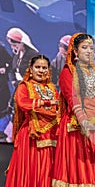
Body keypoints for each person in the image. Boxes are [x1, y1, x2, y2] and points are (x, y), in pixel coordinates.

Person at [52, 33, 95, 187]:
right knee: (79, 173)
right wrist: (83, 120)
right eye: (85, 48)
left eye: (92, 48)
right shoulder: (68, 72)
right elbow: (72, 98)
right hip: (76, 128)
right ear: (75, 51)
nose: (89, 51)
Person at [5, 54, 59, 187]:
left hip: (52, 134)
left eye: (44, 68)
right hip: (32, 135)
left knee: (49, 170)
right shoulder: (24, 86)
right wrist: (47, 103)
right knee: (31, 171)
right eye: (38, 67)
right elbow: (23, 103)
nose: (41, 70)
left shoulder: (52, 88)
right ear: (31, 69)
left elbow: (59, 107)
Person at [0, 42, 12, 141]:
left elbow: (10, 62)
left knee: (4, 107)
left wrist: (5, 69)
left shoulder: (1, 48)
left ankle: (2, 131)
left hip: (2, 84)